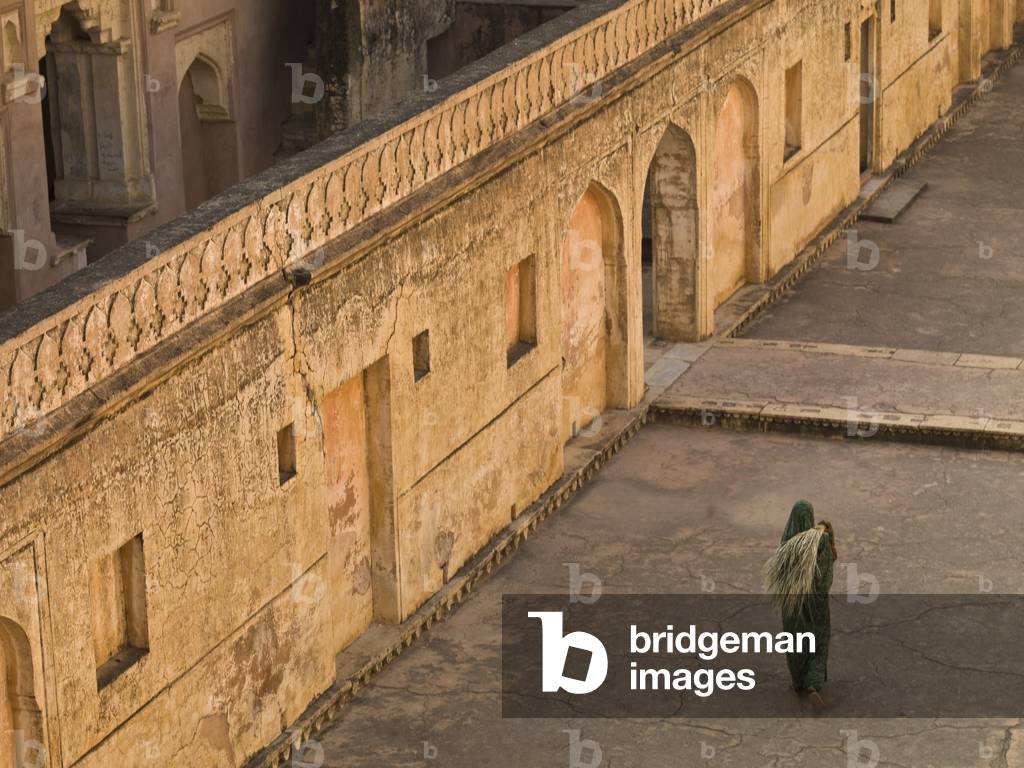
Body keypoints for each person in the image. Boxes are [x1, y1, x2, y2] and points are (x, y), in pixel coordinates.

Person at [763, 500, 836, 709]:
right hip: (816, 605)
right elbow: (826, 573)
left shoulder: (786, 546)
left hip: (792, 605)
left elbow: (781, 576)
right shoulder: (821, 540)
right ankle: (813, 682)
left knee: (795, 641)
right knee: (819, 641)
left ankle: (798, 681)